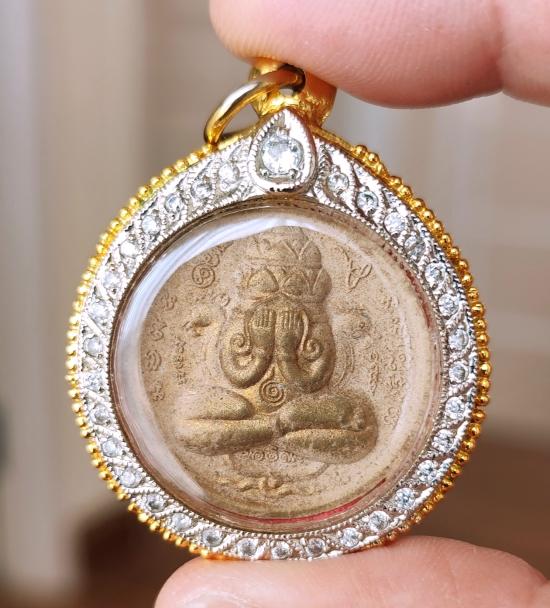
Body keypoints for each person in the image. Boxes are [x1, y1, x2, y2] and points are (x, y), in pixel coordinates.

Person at [156, 1, 550, 606]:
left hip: (305, 413)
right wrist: (236, 345)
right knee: (188, 416)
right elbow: (231, 374)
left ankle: (275, 428)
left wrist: (319, 346)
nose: (277, 296)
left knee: (359, 417)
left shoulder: (315, 315)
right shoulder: (239, 318)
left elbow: (319, 378)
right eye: (263, 286)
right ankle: (268, 428)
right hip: (245, 410)